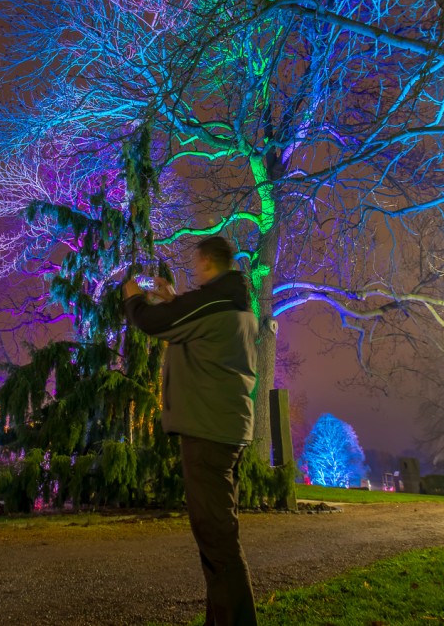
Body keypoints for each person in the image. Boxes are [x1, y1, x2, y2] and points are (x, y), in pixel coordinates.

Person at [122, 236, 259, 626]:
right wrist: (173, 298)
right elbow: (197, 328)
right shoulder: (235, 304)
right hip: (226, 429)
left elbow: (152, 323)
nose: (194, 272)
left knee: (219, 543)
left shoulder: (212, 302)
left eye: (196, 265)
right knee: (216, 537)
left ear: (208, 263)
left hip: (207, 432)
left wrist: (134, 297)